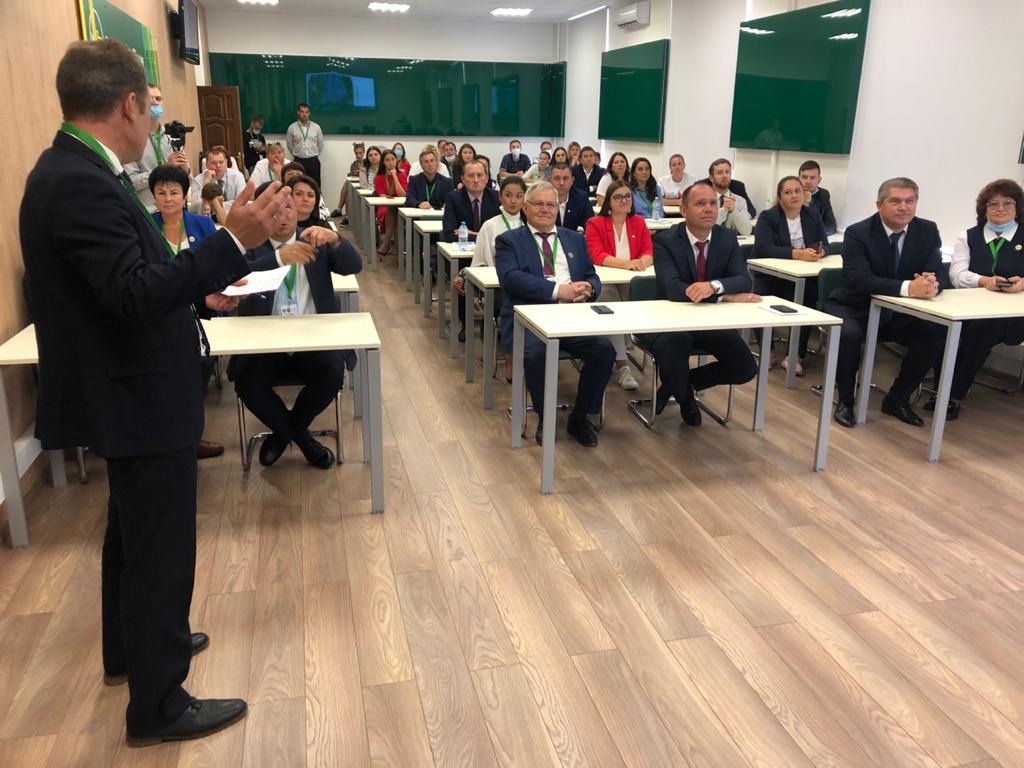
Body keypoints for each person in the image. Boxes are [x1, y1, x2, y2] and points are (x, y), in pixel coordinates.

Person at [21, 38, 292, 746]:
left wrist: (203, 291)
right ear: (129, 104)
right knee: (160, 548)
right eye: (151, 106)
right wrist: (230, 242)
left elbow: (133, 282)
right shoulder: (79, 182)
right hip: (136, 395)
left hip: (130, 387)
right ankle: (160, 703)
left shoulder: (76, 170)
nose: (153, 120)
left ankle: (131, 650)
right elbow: (135, 295)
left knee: (131, 535)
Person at [230, 182, 363, 469]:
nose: (283, 216)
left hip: (313, 337)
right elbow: (234, 279)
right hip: (264, 339)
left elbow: (354, 266)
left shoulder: (314, 238)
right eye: (275, 210)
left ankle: (285, 433)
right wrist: (279, 258)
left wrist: (336, 240)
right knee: (246, 380)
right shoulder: (250, 244)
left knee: (332, 372)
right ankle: (302, 438)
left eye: (289, 208)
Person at [495, 181, 614, 447]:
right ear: (525, 208)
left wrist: (589, 288)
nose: (545, 209)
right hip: (530, 320)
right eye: (538, 204)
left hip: (572, 318)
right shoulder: (508, 241)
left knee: (604, 351)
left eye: (551, 204)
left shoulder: (574, 238)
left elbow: (592, 275)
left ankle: (580, 417)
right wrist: (559, 290)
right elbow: (510, 279)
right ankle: (545, 416)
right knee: (536, 355)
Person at [825, 177, 947, 429]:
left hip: (899, 311)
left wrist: (931, 283)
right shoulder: (858, 233)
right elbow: (861, 280)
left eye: (910, 201)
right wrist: (909, 288)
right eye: (895, 201)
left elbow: (937, 270)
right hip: (855, 306)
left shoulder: (927, 230)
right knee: (848, 335)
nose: (904, 207)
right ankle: (845, 400)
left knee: (934, 332)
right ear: (879, 205)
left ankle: (897, 398)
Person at [643, 180, 760, 426]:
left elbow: (743, 280)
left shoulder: (727, 237)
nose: (708, 209)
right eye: (700, 204)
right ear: (683, 210)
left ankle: (679, 386)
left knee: (745, 367)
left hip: (709, 320)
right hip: (669, 320)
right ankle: (686, 399)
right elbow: (673, 288)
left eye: (712, 203)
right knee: (675, 347)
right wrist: (724, 295)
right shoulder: (665, 240)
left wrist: (713, 286)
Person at [150, 164, 227, 459]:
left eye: (174, 192)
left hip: (202, 308)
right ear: (154, 197)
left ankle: (191, 438)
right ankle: (166, 438)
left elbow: (215, 266)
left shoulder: (202, 225)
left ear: (185, 196)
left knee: (196, 374)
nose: (168, 198)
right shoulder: (145, 226)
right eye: (161, 193)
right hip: (162, 310)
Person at [940, 179, 1024, 419]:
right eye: (993, 203)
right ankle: (948, 391)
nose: (1000, 208)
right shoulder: (968, 237)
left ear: (1017, 207)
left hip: (1015, 315)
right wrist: (984, 281)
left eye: (1007, 203)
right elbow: (957, 275)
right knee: (970, 328)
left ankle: (952, 394)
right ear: (983, 209)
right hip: (973, 310)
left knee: (981, 330)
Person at [751, 175, 829, 375]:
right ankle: (767, 351)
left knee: (808, 298)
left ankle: (795, 355)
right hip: (771, 275)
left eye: (797, 191)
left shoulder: (812, 215)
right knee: (760, 297)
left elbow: (825, 244)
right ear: (780, 197)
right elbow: (763, 248)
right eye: (788, 192)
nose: (794, 195)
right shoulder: (768, 217)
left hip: (803, 276)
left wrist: (820, 252)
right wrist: (797, 254)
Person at [585, 179, 655, 390]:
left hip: (632, 279)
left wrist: (642, 262)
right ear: (609, 200)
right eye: (618, 197)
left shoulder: (639, 222)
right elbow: (596, 255)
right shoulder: (595, 223)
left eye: (627, 196)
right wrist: (626, 264)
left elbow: (648, 251)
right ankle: (622, 365)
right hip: (606, 280)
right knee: (611, 306)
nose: (624, 200)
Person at [124, 83, 191, 211]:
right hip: (147, 212)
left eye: (158, 98)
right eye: (150, 98)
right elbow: (130, 182)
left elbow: (188, 180)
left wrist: (186, 171)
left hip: (175, 210)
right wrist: (164, 168)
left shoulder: (171, 136)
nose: (155, 102)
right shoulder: (131, 138)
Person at [188, 146, 245, 214]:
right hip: (208, 218)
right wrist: (206, 183)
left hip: (233, 216)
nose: (218, 166)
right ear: (206, 165)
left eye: (221, 162)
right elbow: (195, 208)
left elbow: (242, 202)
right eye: (213, 163)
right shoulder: (198, 180)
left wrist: (214, 205)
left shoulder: (237, 176)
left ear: (226, 162)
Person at [374, 148, 408, 258]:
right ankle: (399, 256)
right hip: (385, 207)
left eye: (393, 159)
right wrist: (389, 197)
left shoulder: (402, 175)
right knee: (393, 211)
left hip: (401, 206)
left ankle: (386, 243)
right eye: (387, 160)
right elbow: (381, 195)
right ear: (383, 162)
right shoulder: (378, 177)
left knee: (396, 212)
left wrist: (395, 177)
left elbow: (402, 195)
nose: (391, 162)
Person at [708, 158, 752, 235]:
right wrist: (723, 211)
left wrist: (733, 211)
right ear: (711, 178)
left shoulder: (740, 201)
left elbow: (746, 232)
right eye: (720, 173)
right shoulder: (704, 200)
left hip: (732, 241)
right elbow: (705, 229)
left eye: (727, 172)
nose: (725, 175)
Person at [285, 102, 324, 186]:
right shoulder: (292, 127)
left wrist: (314, 154)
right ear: (298, 112)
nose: (304, 114)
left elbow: (320, 144)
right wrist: (297, 154)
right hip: (299, 161)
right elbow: (289, 145)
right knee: (298, 184)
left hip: (313, 161)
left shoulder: (316, 127)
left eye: (306, 112)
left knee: (315, 185)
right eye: (302, 112)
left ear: (309, 113)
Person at [404, 145, 454, 209]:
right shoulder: (414, 180)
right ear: (421, 165)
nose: (430, 164)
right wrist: (419, 204)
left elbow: (451, 202)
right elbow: (409, 199)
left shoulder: (448, 182)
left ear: (437, 163)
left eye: (432, 161)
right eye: (426, 162)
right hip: (420, 213)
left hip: (440, 214)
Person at [549, 161, 593, 233]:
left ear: (572, 181)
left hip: (572, 238)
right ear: (550, 180)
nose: (561, 183)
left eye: (565, 178)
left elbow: (590, 226)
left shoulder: (581, 198)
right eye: (557, 178)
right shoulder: (541, 198)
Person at [798, 160, 837, 235]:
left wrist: (815, 234)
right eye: (804, 177)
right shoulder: (791, 194)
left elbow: (831, 225)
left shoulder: (824, 194)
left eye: (812, 178)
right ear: (798, 179)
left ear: (819, 180)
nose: (808, 181)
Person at [330, 141, 365, 219]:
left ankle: (341, 211)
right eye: (356, 153)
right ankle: (345, 214)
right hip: (355, 184)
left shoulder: (366, 163)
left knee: (347, 186)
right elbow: (351, 175)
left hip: (363, 184)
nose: (358, 155)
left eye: (360, 153)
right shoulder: (354, 164)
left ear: (364, 153)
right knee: (347, 186)